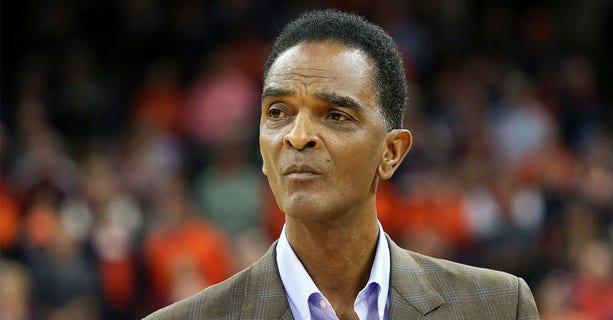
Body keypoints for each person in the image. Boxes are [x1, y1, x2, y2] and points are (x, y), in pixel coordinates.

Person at [144, 9, 539, 320]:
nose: (297, 136)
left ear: (391, 153)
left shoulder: (501, 306)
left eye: (335, 115)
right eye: (277, 112)